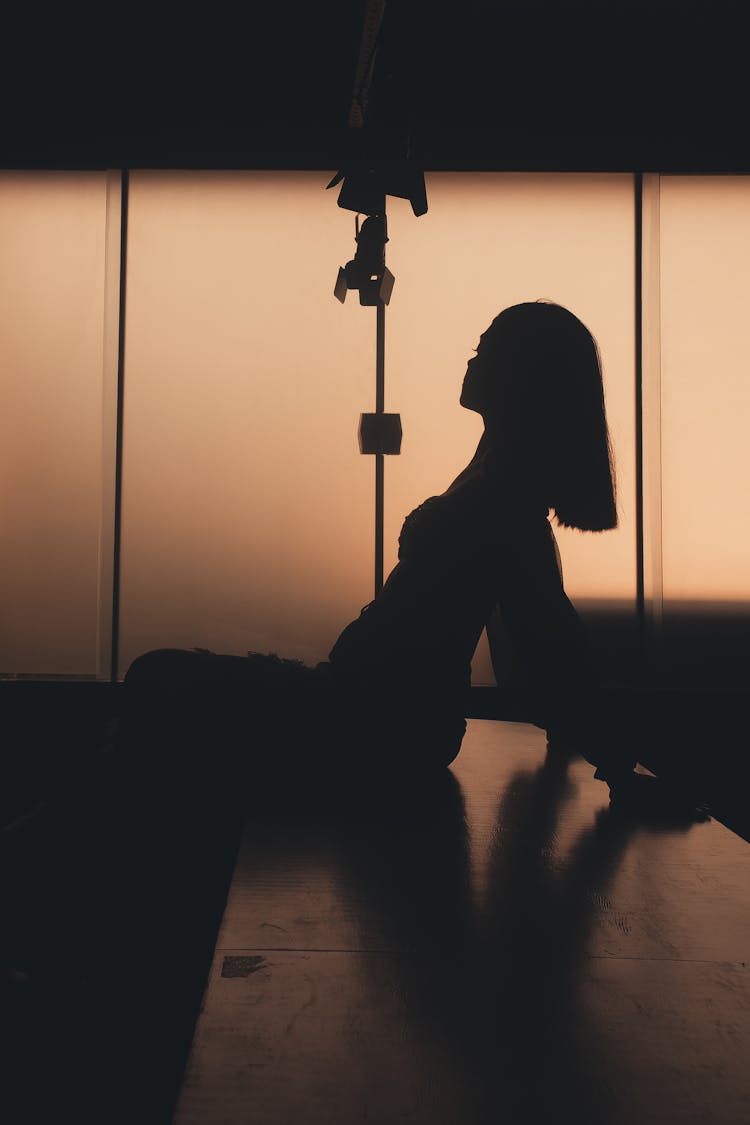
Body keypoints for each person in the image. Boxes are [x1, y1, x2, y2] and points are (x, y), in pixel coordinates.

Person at [123, 301, 637, 795]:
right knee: (158, 683)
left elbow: (545, 637)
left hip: (382, 720)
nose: (471, 358)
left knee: (158, 676)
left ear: (522, 376)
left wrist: (610, 760)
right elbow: (521, 630)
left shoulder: (507, 500)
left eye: (487, 350)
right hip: (367, 704)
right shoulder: (490, 479)